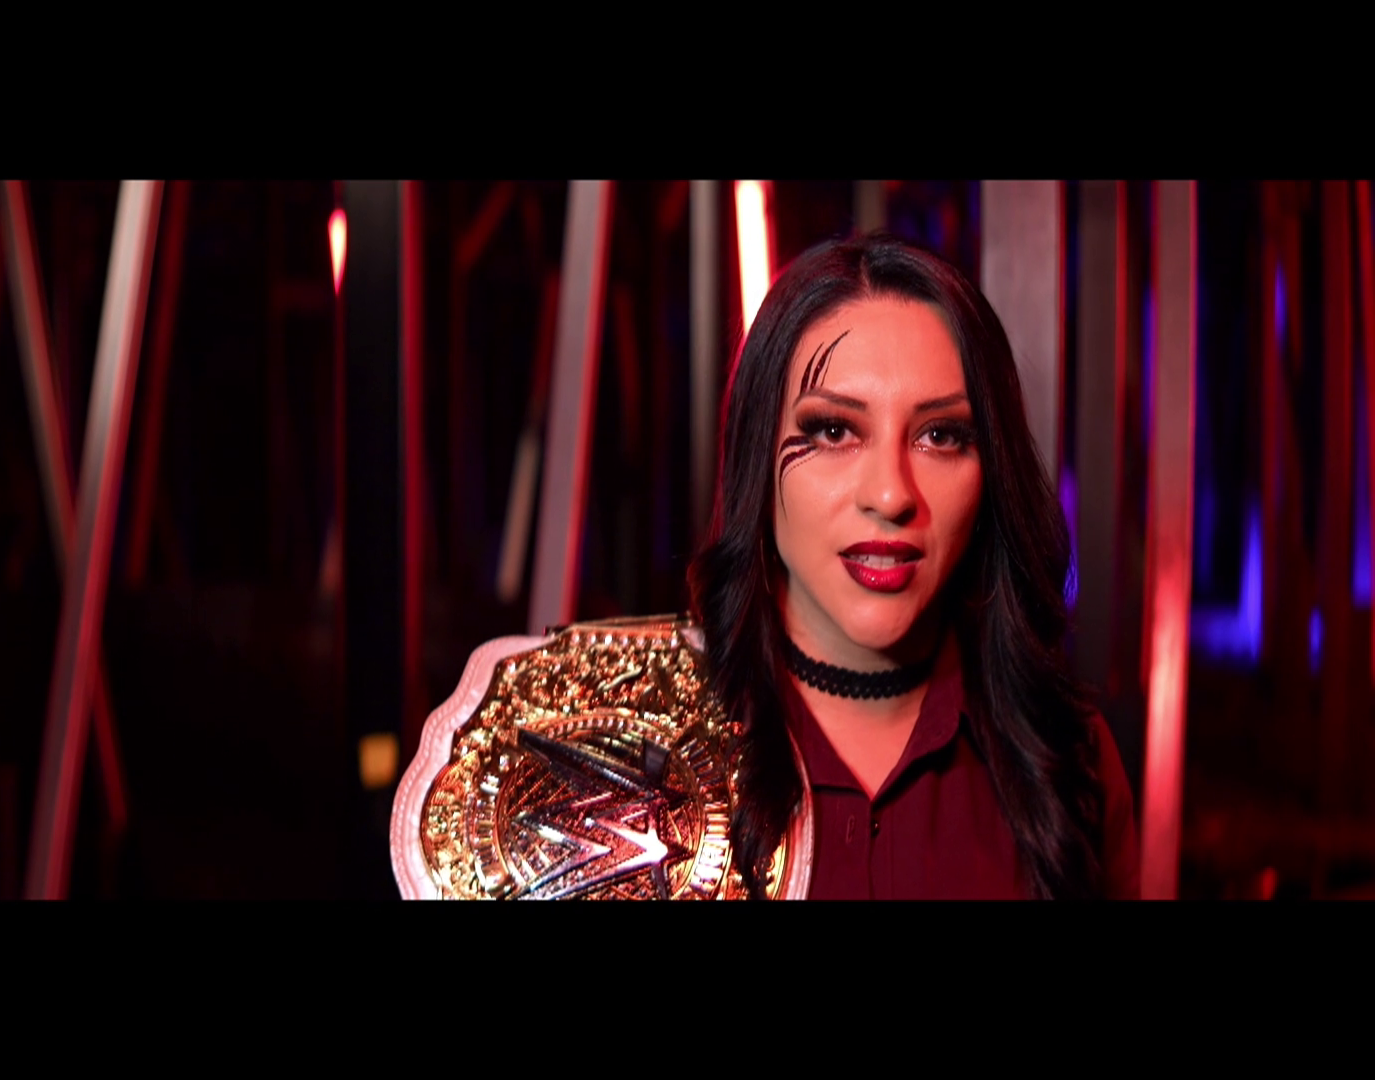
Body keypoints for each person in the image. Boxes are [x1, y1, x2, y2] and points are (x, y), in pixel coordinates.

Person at [390, 231, 1140, 900]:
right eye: (834, 430)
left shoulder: (1063, 757)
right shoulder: (617, 748)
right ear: (756, 456)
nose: (890, 494)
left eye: (940, 436)